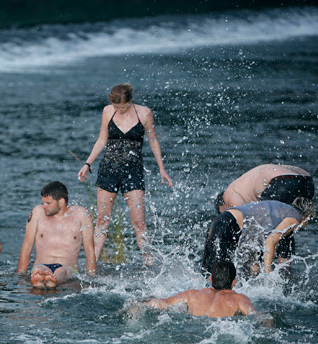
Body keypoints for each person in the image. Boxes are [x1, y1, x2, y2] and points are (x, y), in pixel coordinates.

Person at [78, 83, 172, 263]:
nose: (118, 110)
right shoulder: (107, 112)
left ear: (130, 101)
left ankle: (149, 263)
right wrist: (87, 163)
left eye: (121, 107)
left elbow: (153, 141)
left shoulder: (144, 114)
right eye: (115, 107)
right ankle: (91, 266)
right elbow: (101, 140)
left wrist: (162, 168)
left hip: (133, 172)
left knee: (139, 223)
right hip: (108, 171)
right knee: (102, 222)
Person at [202, 197, 315, 277]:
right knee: (221, 276)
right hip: (228, 225)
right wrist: (267, 276)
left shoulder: (279, 214)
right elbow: (270, 241)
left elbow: (282, 263)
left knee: (209, 274)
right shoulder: (295, 217)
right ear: (307, 217)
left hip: (220, 223)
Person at [17, 181, 97, 288]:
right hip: (41, 264)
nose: (44, 206)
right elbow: (27, 245)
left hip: (68, 268)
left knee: (61, 271)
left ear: (61, 202)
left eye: (48, 203)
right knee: (38, 270)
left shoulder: (81, 215)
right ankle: (42, 279)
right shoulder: (37, 212)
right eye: (43, 202)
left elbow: (89, 250)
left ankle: (52, 280)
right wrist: (20, 275)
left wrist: (91, 277)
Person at [145, 261, 255, 317]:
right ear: (234, 282)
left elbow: (162, 303)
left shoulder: (192, 294)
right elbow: (255, 316)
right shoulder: (239, 299)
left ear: (211, 279)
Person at [215, 164, 314, 214]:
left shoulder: (228, 194)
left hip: (282, 183)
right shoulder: (243, 185)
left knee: (267, 228)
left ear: (224, 206)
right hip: (307, 182)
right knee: (286, 227)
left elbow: (247, 219)